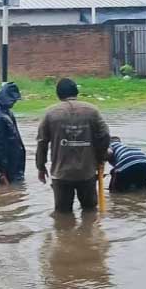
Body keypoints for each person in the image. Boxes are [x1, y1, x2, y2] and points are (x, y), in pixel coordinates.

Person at [36, 78, 110, 213]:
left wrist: (41, 167)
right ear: (76, 92)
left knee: (62, 215)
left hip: (61, 173)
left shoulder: (50, 113)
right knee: (90, 212)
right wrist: (100, 158)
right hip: (87, 172)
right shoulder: (92, 111)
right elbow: (105, 135)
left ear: (58, 94)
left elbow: (42, 142)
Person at [0, 82, 25, 184]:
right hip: (5, 167)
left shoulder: (5, 111)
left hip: (12, 163)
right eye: (13, 100)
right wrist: (1, 170)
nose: (14, 103)